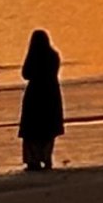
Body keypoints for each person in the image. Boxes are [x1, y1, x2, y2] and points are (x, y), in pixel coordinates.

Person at [18, 30, 64, 174]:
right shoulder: (54, 55)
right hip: (51, 92)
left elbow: (25, 74)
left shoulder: (33, 56)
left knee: (32, 128)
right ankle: (46, 157)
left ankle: (33, 159)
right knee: (48, 128)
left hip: (35, 93)